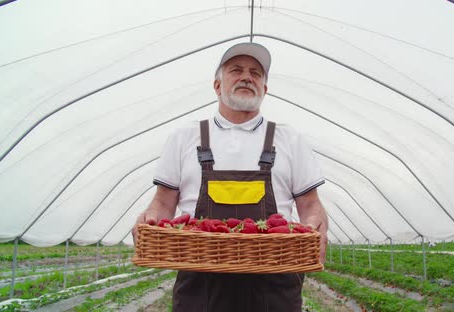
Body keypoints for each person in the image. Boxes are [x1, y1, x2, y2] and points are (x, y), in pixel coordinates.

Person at [132, 42, 328, 312]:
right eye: (236, 70)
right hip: (201, 288)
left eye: (256, 73)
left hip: (275, 286)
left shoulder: (290, 140)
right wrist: (150, 217)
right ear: (217, 86)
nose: (247, 76)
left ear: (265, 89)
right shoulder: (184, 138)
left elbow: (310, 205)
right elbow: (163, 201)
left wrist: (316, 223)